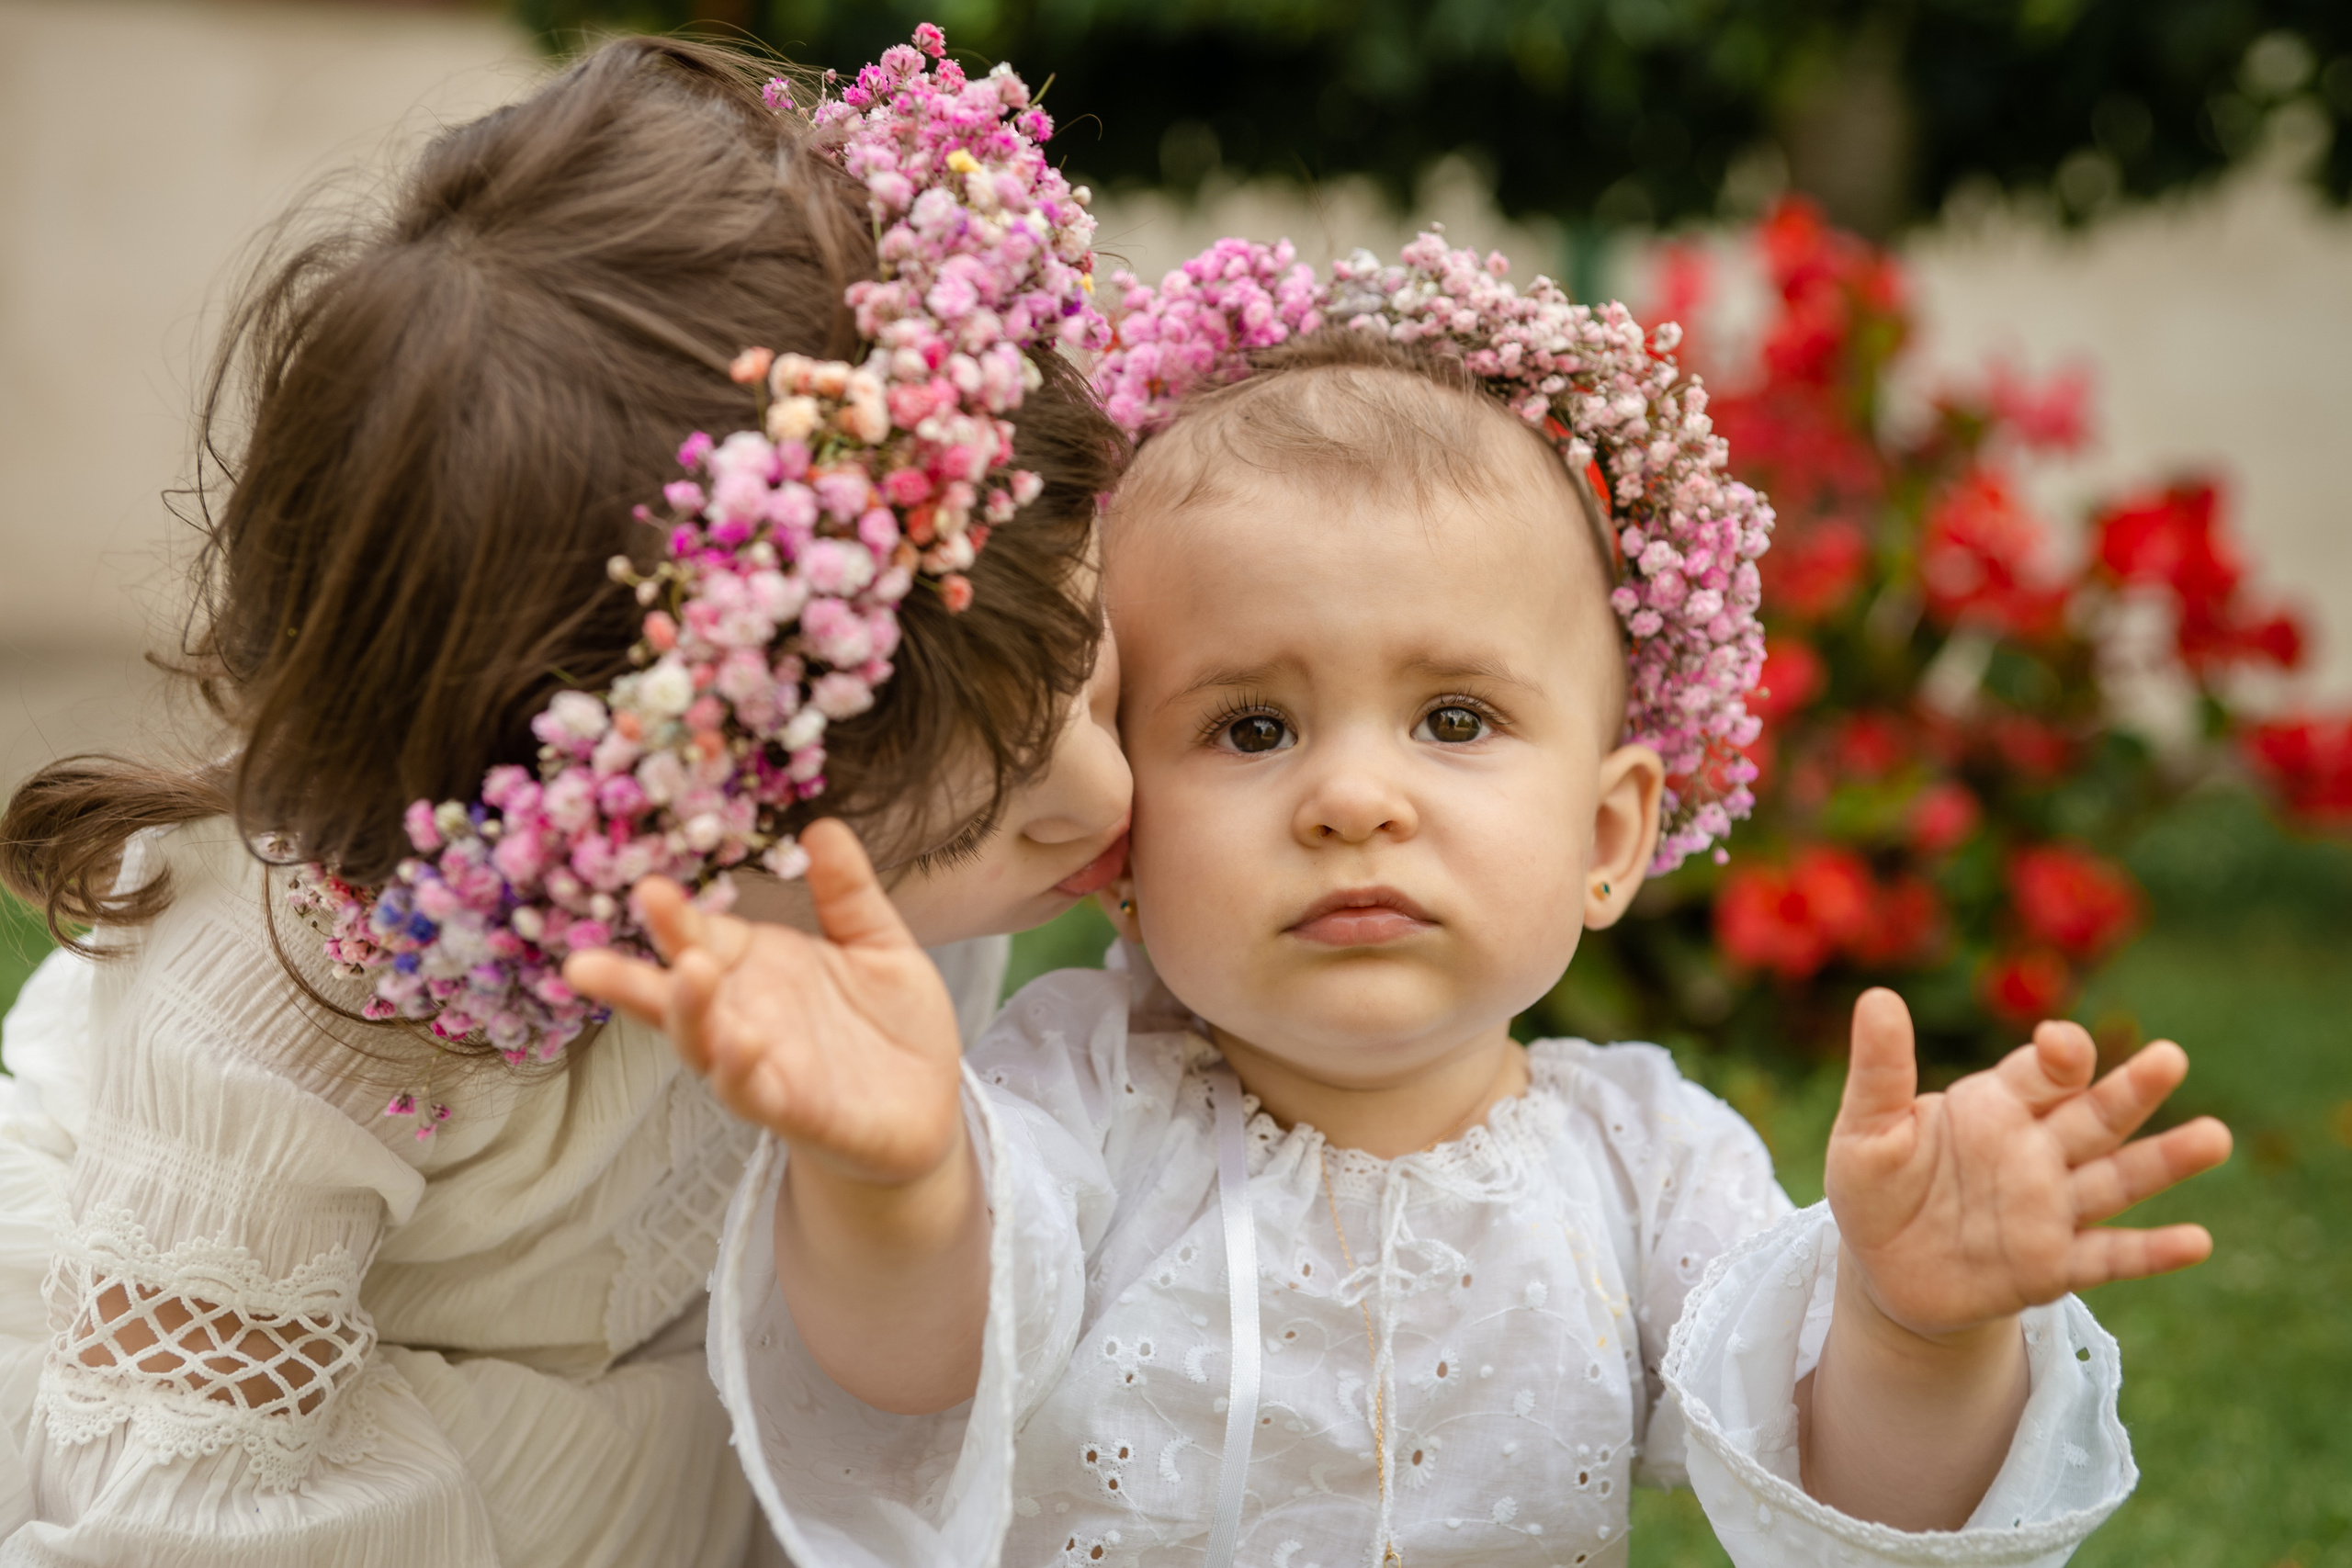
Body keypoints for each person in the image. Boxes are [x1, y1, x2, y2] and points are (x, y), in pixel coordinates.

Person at [604, 234, 2232, 1567]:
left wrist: (1912, 1329)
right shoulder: (1074, 1095)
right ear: (1117, 837)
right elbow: (919, 1366)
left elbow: (1843, 1491)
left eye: (1455, 721)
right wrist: (888, 1179)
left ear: (1610, 835)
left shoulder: (1644, 1167)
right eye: (1250, 728)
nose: (1354, 797)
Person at [0, 30, 1131, 1566]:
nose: (1103, 792)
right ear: (611, 833)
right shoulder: (284, 1022)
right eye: (962, 825)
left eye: (1097, 663)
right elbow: (186, 1520)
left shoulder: (836, 770)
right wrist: (664, 1467)